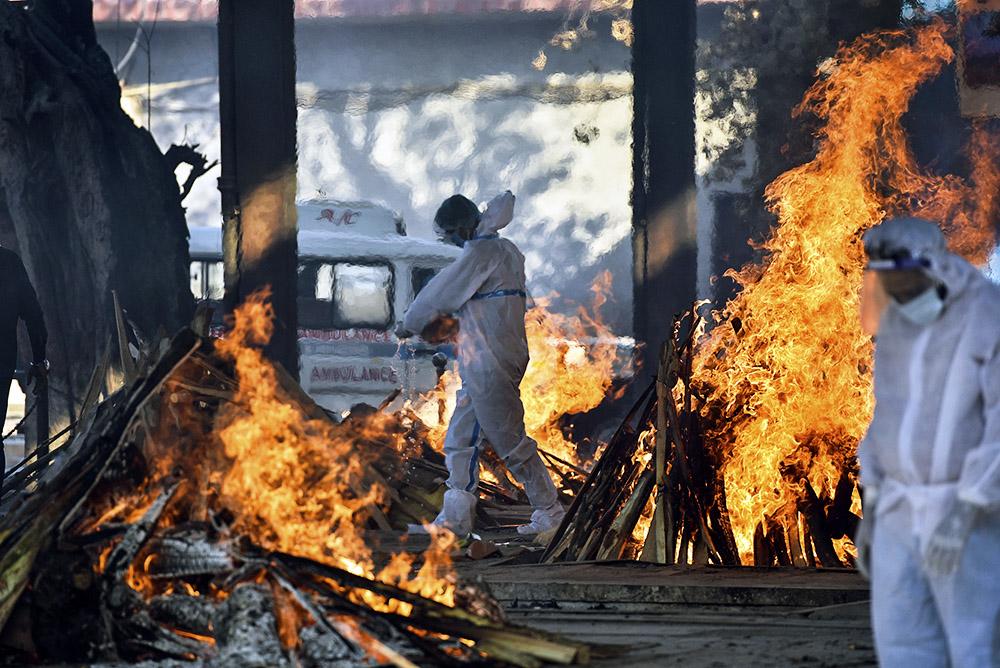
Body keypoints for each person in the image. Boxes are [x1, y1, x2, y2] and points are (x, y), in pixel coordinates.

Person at [855, 216, 1000, 668]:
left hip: (963, 511)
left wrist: (967, 509)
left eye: (899, 283)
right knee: (903, 642)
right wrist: (874, 505)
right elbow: (889, 412)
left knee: (972, 641)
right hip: (899, 508)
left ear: (925, 266)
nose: (892, 295)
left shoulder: (987, 315)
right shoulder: (899, 320)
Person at [396, 191, 565, 537]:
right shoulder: (506, 251)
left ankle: (551, 512)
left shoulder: (483, 253)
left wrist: (411, 322)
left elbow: (439, 294)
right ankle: (455, 522)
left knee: (511, 443)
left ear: (461, 227)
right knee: (460, 439)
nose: (452, 242)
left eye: (450, 234)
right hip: (488, 361)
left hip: (491, 364)